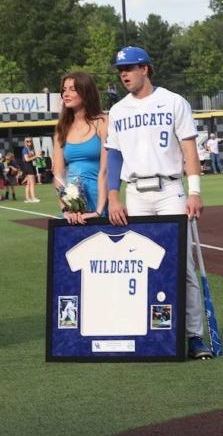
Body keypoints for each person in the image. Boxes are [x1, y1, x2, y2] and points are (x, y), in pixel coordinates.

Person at [104, 45, 213, 360]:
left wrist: (194, 190)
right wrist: (113, 195)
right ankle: (150, 332)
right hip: (136, 192)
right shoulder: (118, 110)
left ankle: (194, 337)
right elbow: (114, 156)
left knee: (185, 267)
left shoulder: (173, 101)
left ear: (145, 69)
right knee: (141, 265)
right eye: (121, 69)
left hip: (169, 190)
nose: (124, 74)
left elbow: (189, 149)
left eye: (130, 68)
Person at [51, 71, 108, 224]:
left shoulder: (103, 122)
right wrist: (66, 209)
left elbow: (106, 170)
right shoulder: (61, 128)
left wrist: (99, 210)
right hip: (72, 205)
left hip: (99, 202)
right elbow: (58, 175)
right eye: (64, 89)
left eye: (72, 89)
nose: (66, 94)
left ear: (86, 92)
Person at [20, 138, 39, 203]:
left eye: (30, 141)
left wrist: (35, 157)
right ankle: (33, 198)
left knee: (28, 183)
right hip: (28, 166)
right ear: (25, 142)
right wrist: (36, 156)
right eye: (27, 141)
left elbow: (30, 158)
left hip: (29, 166)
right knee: (32, 183)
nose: (29, 142)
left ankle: (27, 198)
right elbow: (27, 159)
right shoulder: (25, 149)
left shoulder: (30, 149)